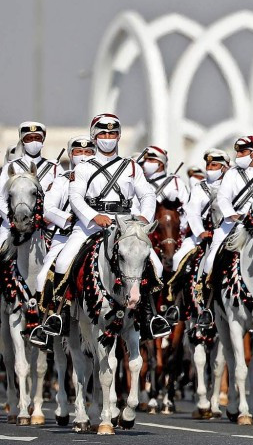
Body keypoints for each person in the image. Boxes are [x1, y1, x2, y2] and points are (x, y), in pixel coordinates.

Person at [40, 113, 170, 340]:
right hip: (90, 225)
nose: (108, 138)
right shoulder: (84, 168)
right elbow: (76, 198)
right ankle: (60, 315)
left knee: (156, 267)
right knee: (62, 262)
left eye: (112, 134)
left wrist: (143, 217)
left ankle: (150, 316)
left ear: (119, 137)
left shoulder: (131, 167)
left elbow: (147, 193)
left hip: (126, 224)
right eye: (103, 134)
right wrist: (93, 216)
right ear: (94, 136)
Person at [27, 135, 95, 347]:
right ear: (70, 154)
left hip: (96, 235)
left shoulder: (102, 177)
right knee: (41, 278)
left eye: (88, 152)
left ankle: (148, 314)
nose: (83, 156)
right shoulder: (62, 179)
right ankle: (51, 321)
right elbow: (49, 208)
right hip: (65, 238)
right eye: (78, 152)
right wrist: (68, 218)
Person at [197, 135, 253, 328]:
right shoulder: (232, 174)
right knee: (210, 261)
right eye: (237, 152)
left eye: (243, 152)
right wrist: (233, 215)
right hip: (231, 225)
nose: (239, 156)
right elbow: (222, 198)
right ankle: (208, 307)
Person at [165, 149, 228, 324]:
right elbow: (192, 212)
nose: (210, 168)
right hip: (202, 233)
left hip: (226, 232)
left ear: (224, 167)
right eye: (208, 164)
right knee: (178, 257)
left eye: (214, 165)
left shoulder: (232, 187)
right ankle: (176, 305)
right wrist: (200, 231)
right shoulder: (200, 187)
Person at [0, 122, 60, 244]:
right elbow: (1, 196)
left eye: (37, 138)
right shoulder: (11, 166)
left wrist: (51, 218)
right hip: (14, 224)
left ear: (43, 140)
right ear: (22, 141)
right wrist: (12, 220)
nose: (34, 142)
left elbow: (63, 197)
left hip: (48, 226)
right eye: (29, 138)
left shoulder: (54, 167)